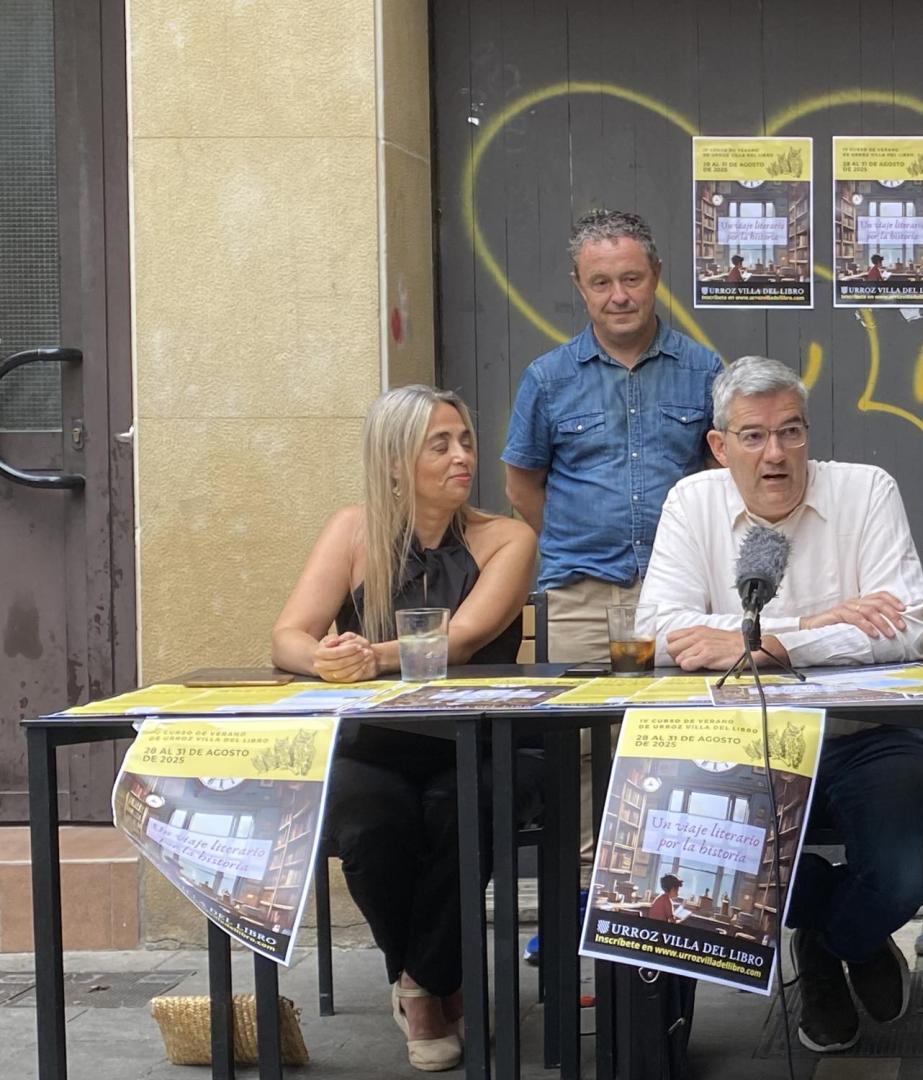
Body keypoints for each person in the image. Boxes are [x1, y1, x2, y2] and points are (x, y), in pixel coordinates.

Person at [641, 355, 923, 1053]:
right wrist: (817, 625)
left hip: (865, 734)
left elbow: (903, 630)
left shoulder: (866, 490)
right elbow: (659, 634)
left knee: (907, 871)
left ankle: (831, 942)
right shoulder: (692, 503)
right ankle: (840, 937)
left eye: (791, 431)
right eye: (754, 436)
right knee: (705, 859)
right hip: (743, 742)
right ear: (720, 446)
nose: (776, 453)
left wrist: (765, 644)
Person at [271, 385, 539, 1073]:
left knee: (461, 811)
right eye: (439, 445)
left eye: (465, 441)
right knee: (369, 825)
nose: (462, 457)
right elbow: (288, 637)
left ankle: (422, 986)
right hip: (375, 745)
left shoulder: (508, 537)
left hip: (480, 740)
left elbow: (464, 638)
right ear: (395, 462)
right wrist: (324, 657)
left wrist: (371, 655)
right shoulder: (353, 531)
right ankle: (436, 979)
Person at [502, 208, 724, 855]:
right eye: (601, 282)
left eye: (631, 278)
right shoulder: (548, 378)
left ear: (656, 275)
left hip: (678, 597)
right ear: (579, 285)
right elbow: (522, 484)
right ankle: (582, 891)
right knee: (580, 749)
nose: (618, 296)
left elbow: (721, 481)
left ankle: (661, 885)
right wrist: (576, 542)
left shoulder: (703, 369)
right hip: (581, 596)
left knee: (679, 738)